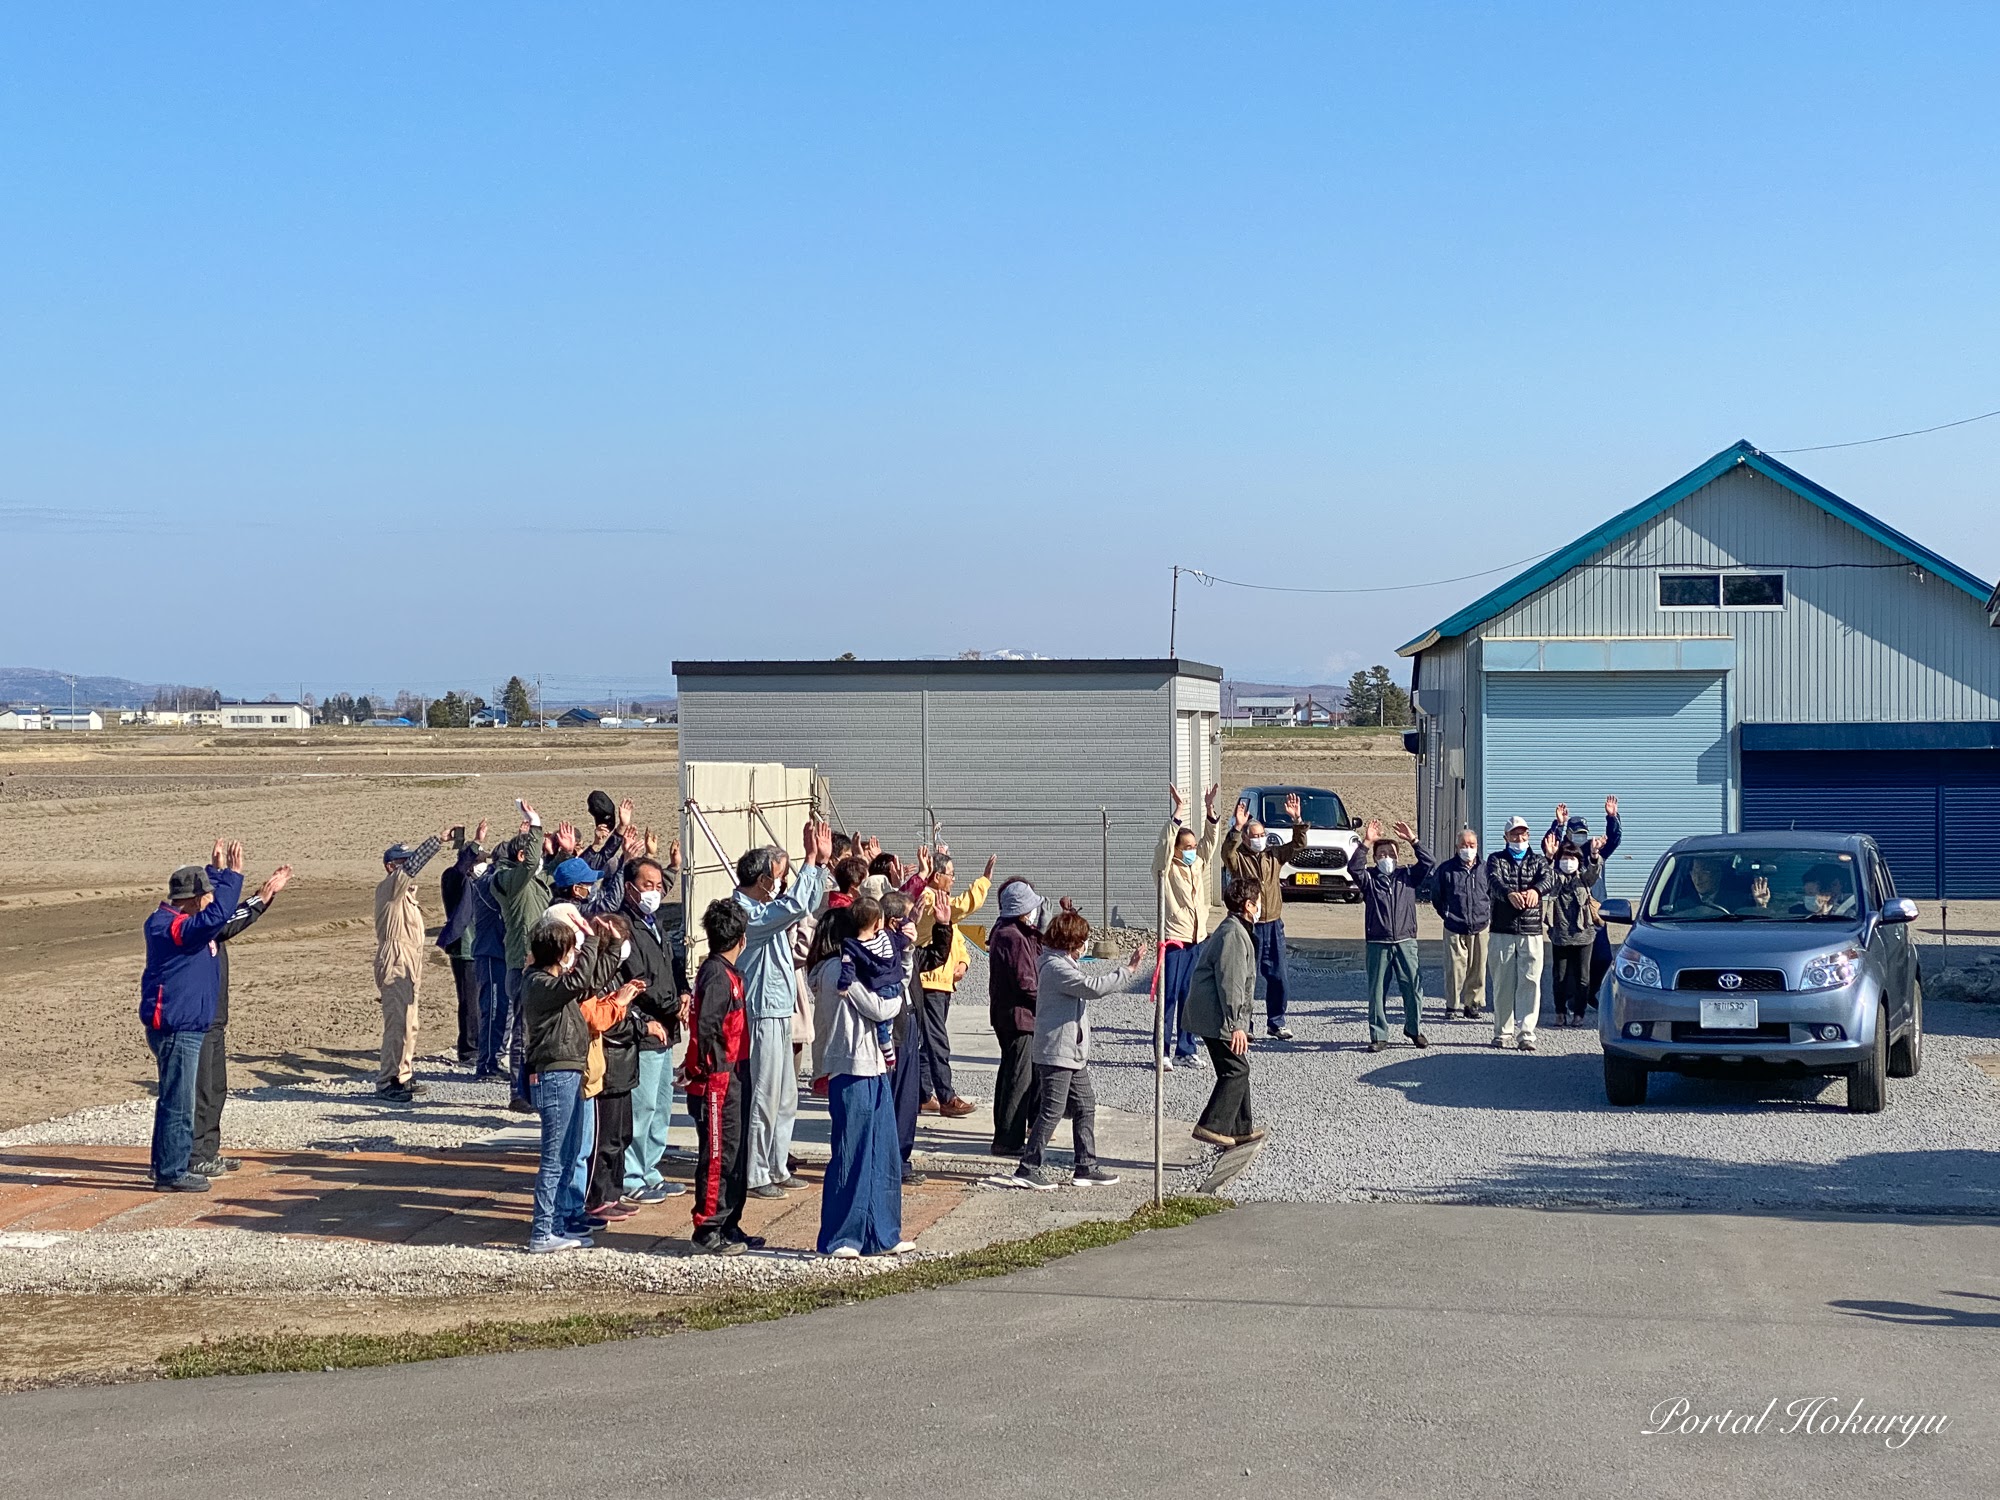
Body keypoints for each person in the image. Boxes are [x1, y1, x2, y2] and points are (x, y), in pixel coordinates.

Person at [519, 912, 639, 1253]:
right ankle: (542, 1232)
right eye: (570, 950)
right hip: (553, 1074)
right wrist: (588, 943)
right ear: (561, 953)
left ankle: (557, 1224)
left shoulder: (555, 984)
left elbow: (589, 982)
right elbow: (577, 982)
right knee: (554, 1156)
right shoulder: (538, 983)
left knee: (570, 1153)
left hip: (569, 1072)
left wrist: (610, 945)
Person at [807, 904, 921, 1258]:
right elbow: (881, 1007)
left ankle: (882, 1233)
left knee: (883, 1151)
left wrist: (905, 953)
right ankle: (842, 1237)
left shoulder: (858, 968)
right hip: (850, 1067)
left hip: (874, 1067)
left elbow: (895, 987)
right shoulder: (833, 972)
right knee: (851, 1153)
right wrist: (896, 989)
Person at [732, 821, 832, 1200]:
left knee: (786, 1095)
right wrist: (809, 861)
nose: (780, 883)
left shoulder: (766, 907)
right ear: (760, 879)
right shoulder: (747, 913)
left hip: (779, 1009)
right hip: (760, 1012)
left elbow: (802, 906)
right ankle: (757, 1172)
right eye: (776, 876)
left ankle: (776, 1164)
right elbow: (794, 906)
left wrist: (818, 866)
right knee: (764, 1094)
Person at [1013, 907, 1145, 1191]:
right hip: (1057, 1052)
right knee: (1052, 1110)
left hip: (1072, 1053)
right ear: (1071, 942)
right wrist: (1128, 970)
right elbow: (1092, 988)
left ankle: (1085, 1166)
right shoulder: (1056, 968)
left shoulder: (1062, 963)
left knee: (1085, 1105)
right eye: (1083, 939)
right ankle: (1028, 1167)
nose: (1086, 944)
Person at [139, 848, 247, 1191]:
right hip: (177, 1028)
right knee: (179, 1104)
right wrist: (232, 877)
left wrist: (215, 874)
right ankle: (172, 1172)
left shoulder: (173, 921)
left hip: (182, 1025)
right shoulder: (171, 927)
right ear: (191, 899)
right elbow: (215, 917)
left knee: (173, 1099)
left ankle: (165, 1167)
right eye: (203, 895)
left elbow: (210, 915)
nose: (207, 900)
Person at [191, 845, 294, 1177]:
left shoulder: (206, 921)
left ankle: (208, 1151)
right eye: (207, 894)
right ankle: (194, 1155)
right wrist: (261, 898)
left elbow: (223, 914)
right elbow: (225, 922)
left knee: (215, 1089)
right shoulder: (195, 926)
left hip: (214, 1022)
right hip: (198, 1023)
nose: (213, 900)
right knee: (202, 1093)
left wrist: (224, 875)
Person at [687, 897, 758, 1255]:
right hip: (719, 1077)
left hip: (737, 1075)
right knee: (718, 1155)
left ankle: (729, 1220)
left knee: (737, 1153)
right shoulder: (716, 974)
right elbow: (706, 1026)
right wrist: (707, 1067)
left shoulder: (731, 973)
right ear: (740, 938)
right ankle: (707, 1227)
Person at [620, 846, 689, 1204]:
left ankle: (651, 1169)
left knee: (662, 1104)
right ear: (631, 887)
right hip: (644, 1027)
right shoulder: (624, 927)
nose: (654, 892)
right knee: (642, 1105)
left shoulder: (656, 923)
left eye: (659, 885)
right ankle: (631, 1176)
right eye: (647, 884)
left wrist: (684, 992)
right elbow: (636, 979)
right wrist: (667, 1005)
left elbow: (670, 966)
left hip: (666, 1027)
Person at [1219, 793, 1309, 1040]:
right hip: (1248, 925)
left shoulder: (1273, 855)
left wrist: (1297, 820)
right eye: (1254, 835)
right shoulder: (1238, 859)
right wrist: (1237, 827)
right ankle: (1244, 1025)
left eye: (1262, 835)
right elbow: (1226, 852)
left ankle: (1276, 1022)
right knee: (1247, 976)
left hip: (1273, 923)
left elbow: (1299, 845)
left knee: (1278, 975)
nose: (1259, 839)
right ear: (1246, 838)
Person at [913, 849, 994, 1119]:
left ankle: (924, 1095)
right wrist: (983, 881)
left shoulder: (940, 900)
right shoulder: (927, 898)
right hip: (930, 980)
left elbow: (954, 935)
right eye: (950, 874)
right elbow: (961, 908)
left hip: (943, 979)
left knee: (928, 1040)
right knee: (936, 1040)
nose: (953, 879)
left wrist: (963, 961)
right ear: (936, 876)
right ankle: (946, 1096)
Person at [1183, 877, 1263, 1148]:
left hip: (1217, 1015)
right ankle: (1211, 1125)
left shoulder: (1236, 928)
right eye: (1257, 902)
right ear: (1249, 905)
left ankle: (1241, 1127)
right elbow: (1231, 983)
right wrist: (1236, 1025)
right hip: (1215, 1016)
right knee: (1236, 1070)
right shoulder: (1233, 934)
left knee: (1237, 1066)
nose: (1260, 906)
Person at [374, 829, 448, 1103]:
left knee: (410, 1022)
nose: (408, 867)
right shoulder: (390, 889)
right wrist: (437, 841)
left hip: (409, 960)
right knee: (397, 1022)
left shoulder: (406, 896)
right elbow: (416, 865)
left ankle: (403, 1075)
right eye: (402, 863)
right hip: (395, 958)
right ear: (391, 867)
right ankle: (386, 1081)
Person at [494, 802, 558, 1110]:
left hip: (539, 965)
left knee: (537, 1033)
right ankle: (519, 1092)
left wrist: (563, 852)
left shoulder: (532, 884)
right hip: (521, 967)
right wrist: (535, 825)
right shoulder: (511, 883)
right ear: (521, 858)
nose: (541, 861)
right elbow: (532, 863)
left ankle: (533, 1089)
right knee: (522, 1032)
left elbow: (555, 879)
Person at [1154, 783, 1224, 1066]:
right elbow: (1163, 847)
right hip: (1175, 938)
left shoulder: (1196, 865)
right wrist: (1178, 813)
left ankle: (1186, 1049)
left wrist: (1210, 812)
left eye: (1194, 846)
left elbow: (1210, 845)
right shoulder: (1166, 867)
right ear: (1177, 849)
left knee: (1190, 995)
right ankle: (1163, 1051)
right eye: (1188, 847)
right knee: (1168, 996)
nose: (1194, 851)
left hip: (1197, 938)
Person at [1352, 819, 1436, 1052]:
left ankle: (1414, 1029)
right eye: (1381, 854)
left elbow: (1429, 862)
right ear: (1375, 858)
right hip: (1378, 942)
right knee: (1377, 990)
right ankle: (1379, 1035)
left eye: (1391, 853)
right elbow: (1353, 869)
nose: (1386, 858)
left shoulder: (1407, 875)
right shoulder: (1369, 879)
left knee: (1412, 987)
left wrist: (1413, 840)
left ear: (1398, 857)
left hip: (1406, 941)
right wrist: (1367, 842)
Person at [985, 878, 1044, 1157]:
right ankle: (1008, 1138)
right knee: (1018, 1078)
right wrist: (1046, 999)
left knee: (1012, 1073)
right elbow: (1026, 981)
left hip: (1008, 1014)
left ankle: (1010, 1133)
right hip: (1019, 1016)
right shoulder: (1014, 937)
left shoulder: (1005, 930)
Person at [1486, 815, 1555, 1051]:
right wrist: (1508, 894)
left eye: (1523, 833)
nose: (1519, 838)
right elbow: (1493, 881)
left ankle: (1527, 1032)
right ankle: (1502, 1031)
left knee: (1531, 981)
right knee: (1503, 982)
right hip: (1502, 929)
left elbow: (1548, 879)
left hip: (1531, 929)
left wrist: (1536, 890)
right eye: (1514, 834)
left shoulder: (1538, 860)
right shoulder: (1495, 859)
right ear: (1506, 836)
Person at [1548, 797, 1622, 1002]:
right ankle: (1572, 1000)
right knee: (1571, 962)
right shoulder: (1561, 853)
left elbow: (1615, 839)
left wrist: (1612, 817)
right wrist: (1558, 825)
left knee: (1603, 958)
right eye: (1576, 832)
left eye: (1583, 833)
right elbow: (1549, 845)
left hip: (1594, 914)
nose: (1580, 837)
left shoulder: (1596, 850)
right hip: (1567, 914)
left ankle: (1590, 992)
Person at [436, 822, 489, 1065]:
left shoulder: (482, 883)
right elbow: (459, 870)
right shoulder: (453, 878)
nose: (482, 865)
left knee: (481, 1000)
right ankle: (469, 1051)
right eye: (478, 861)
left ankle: (480, 1045)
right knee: (469, 1001)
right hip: (464, 949)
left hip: (481, 948)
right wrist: (475, 843)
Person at [1544, 828, 1605, 1026]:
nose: (1568, 861)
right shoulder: (1554, 878)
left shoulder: (1583, 879)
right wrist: (1549, 856)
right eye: (1565, 857)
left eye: (1572, 858)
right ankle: (1560, 1012)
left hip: (1584, 935)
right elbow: (1543, 874)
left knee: (1582, 977)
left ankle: (1579, 1013)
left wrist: (1595, 854)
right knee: (1559, 977)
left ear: (1579, 861)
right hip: (1560, 935)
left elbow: (1594, 872)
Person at [1428, 826, 1490, 1022]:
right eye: (1464, 845)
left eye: (1471, 845)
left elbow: (1493, 895)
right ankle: (1452, 1005)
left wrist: (1488, 915)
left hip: (1480, 926)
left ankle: (1472, 1004)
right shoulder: (1446, 869)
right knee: (1455, 969)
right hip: (1455, 925)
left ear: (1477, 846)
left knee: (1478, 969)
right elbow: (1436, 896)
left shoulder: (1486, 869)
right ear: (1457, 847)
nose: (1468, 848)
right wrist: (1446, 914)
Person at [468, 832, 512, 1080]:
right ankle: (486, 1064)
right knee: (494, 1010)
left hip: (500, 953)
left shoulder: (491, 880)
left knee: (504, 1011)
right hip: (491, 954)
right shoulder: (488, 883)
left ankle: (494, 1058)